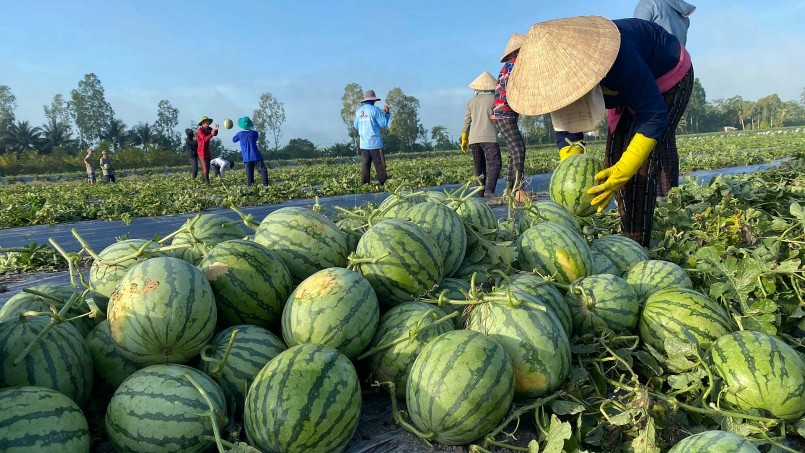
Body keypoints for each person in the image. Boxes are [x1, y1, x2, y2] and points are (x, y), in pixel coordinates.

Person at [508, 16, 694, 247]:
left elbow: (653, 114)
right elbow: (566, 128)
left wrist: (627, 168)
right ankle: (631, 228)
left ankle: (637, 246)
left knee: (639, 168)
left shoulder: (620, 57)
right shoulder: (562, 77)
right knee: (611, 161)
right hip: (622, 88)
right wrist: (572, 169)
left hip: (669, 76)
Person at [491, 33, 528, 203]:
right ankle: (518, 190)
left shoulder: (509, 66)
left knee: (515, 150)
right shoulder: (514, 67)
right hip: (503, 112)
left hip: (502, 113)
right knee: (518, 149)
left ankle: (509, 189)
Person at [461, 71, 502, 198]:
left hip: (473, 139)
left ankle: (480, 194)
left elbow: (467, 120)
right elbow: (499, 118)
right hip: (489, 137)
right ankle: (489, 190)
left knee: (479, 167)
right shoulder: (495, 100)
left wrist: (464, 137)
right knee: (495, 164)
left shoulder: (471, 102)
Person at [353, 90, 391, 186]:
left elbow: (356, 126)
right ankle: (383, 184)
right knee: (380, 165)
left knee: (365, 165)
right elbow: (383, 124)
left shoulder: (358, 112)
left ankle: (365, 184)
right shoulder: (375, 110)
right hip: (375, 143)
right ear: (374, 100)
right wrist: (387, 114)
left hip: (364, 143)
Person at [233, 116, 269, 186]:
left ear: (241, 125)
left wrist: (236, 136)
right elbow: (255, 138)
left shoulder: (239, 134)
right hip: (256, 156)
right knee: (263, 170)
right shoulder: (254, 133)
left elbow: (234, 140)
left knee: (249, 175)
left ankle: (250, 188)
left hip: (247, 158)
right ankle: (265, 185)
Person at [196, 115, 219, 184]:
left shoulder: (209, 129)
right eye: (206, 123)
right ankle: (207, 182)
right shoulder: (199, 131)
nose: (207, 124)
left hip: (207, 151)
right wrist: (211, 134)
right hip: (201, 152)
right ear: (202, 123)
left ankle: (203, 181)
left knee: (207, 167)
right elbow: (204, 139)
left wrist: (216, 130)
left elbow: (214, 134)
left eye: (208, 122)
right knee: (205, 167)